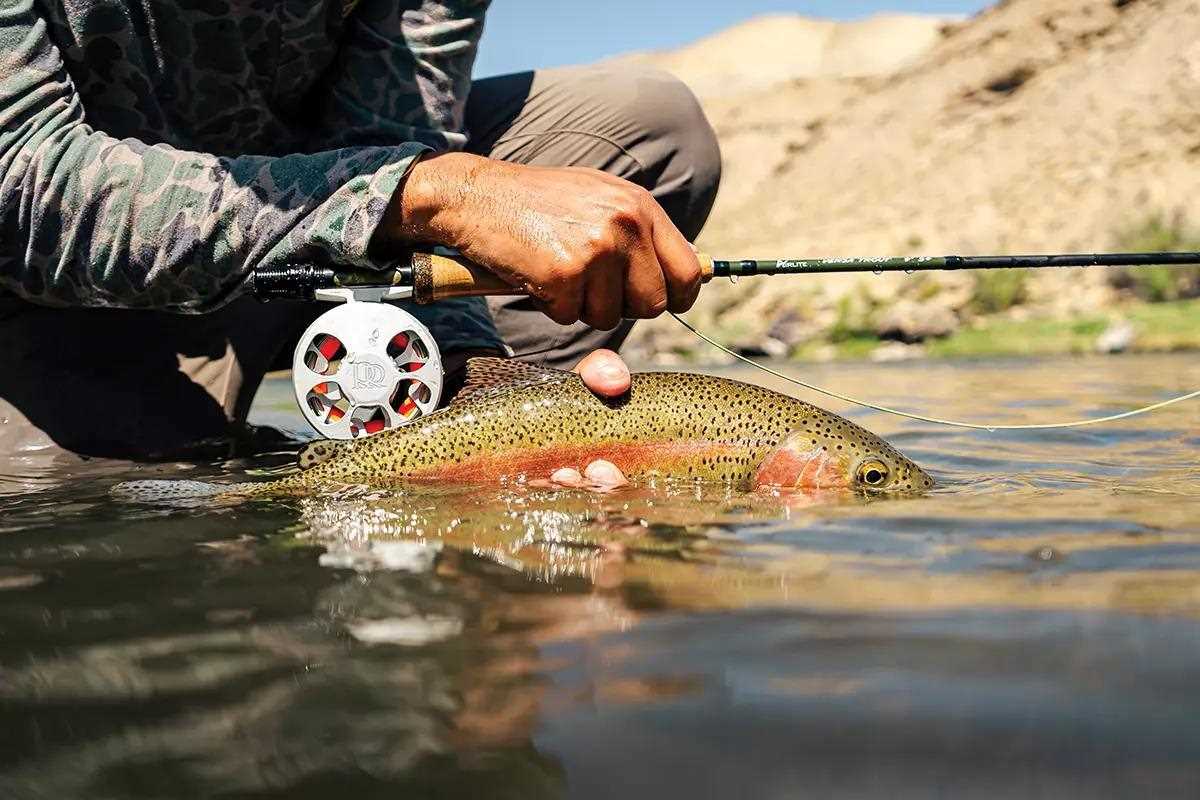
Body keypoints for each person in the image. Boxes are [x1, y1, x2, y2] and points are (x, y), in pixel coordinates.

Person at [0, 1, 721, 480]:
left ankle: (453, 462)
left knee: (646, 126)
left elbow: (398, 137)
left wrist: (474, 379)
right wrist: (424, 194)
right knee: (119, 517)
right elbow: (21, 188)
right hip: (49, 284)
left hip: (330, 242)